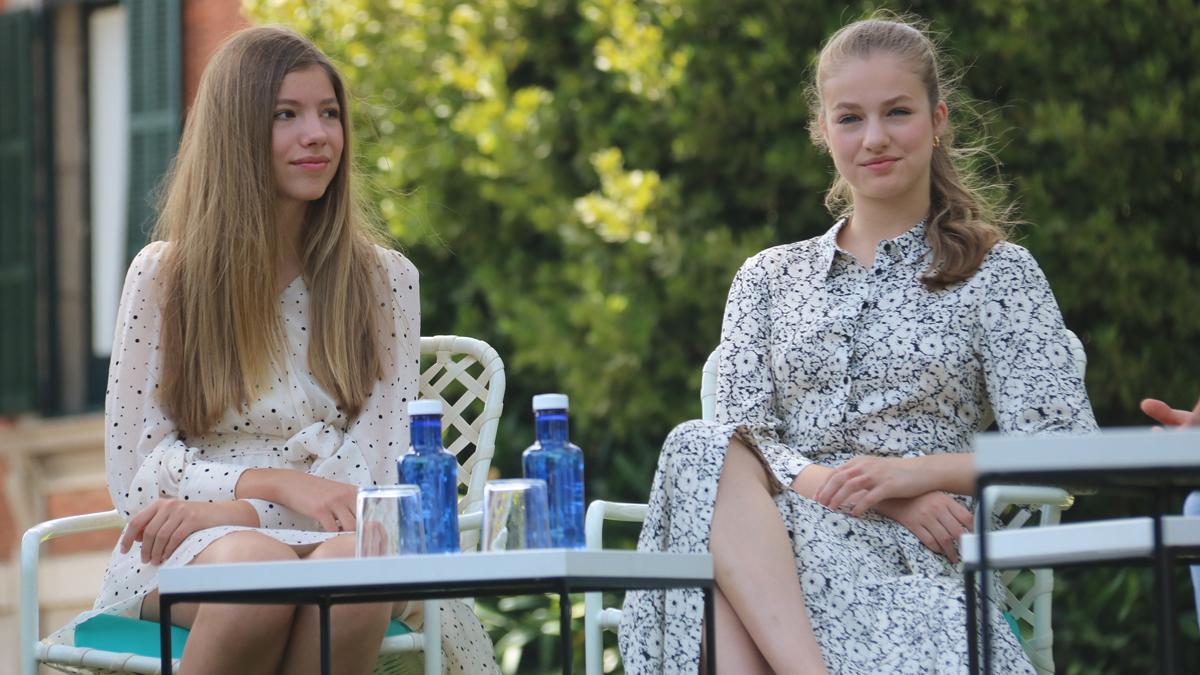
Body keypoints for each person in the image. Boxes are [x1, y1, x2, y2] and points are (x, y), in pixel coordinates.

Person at [619, 14, 1097, 674]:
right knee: (701, 447)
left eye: (897, 112)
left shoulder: (998, 271)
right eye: (850, 118)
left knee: (724, 569)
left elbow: (1068, 450)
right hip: (771, 541)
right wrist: (874, 491)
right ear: (823, 130)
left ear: (938, 120)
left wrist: (915, 475)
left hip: (913, 566)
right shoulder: (767, 277)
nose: (874, 138)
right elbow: (735, 445)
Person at [57, 26, 498, 675]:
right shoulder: (165, 277)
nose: (317, 134)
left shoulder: (385, 281)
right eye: (286, 115)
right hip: (199, 549)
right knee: (256, 576)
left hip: (342, 538)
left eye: (328, 114)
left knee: (354, 571)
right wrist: (273, 484)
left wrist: (232, 503)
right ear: (235, 135)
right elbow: (138, 474)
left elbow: (374, 477)